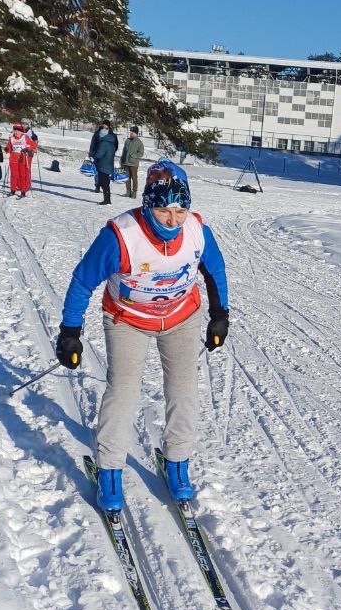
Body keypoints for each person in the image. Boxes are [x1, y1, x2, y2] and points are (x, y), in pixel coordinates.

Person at [55, 159, 229, 511]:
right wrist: (70, 331)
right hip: (127, 319)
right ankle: (109, 469)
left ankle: (177, 462)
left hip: (181, 317)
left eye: (180, 210)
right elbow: (83, 281)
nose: (173, 220)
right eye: (164, 210)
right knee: (123, 391)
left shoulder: (197, 231)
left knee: (183, 390)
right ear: (148, 205)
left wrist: (220, 315)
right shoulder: (121, 236)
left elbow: (215, 270)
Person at [6, 120, 37, 197]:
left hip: (22, 159)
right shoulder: (12, 139)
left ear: (21, 132)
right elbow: (9, 148)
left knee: (22, 175)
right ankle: (13, 190)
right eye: (15, 131)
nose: (16, 132)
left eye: (18, 131)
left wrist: (27, 149)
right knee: (14, 175)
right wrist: (7, 149)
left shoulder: (25, 137)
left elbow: (34, 145)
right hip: (13, 159)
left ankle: (23, 191)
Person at [90, 121, 118, 205]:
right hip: (108, 162)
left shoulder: (104, 143)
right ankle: (106, 198)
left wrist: (93, 154)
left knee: (104, 182)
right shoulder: (111, 142)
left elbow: (99, 154)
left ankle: (107, 200)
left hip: (103, 163)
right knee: (105, 182)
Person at [120, 125, 145, 198]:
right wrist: (122, 159)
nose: (131, 133)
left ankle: (134, 193)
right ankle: (128, 192)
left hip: (134, 164)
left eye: (132, 132)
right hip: (126, 162)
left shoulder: (139, 142)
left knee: (134, 178)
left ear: (136, 133)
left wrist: (133, 156)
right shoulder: (127, 140)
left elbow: (141, 153)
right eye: (130, 132)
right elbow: (124, 151)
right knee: (127, 178)